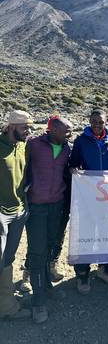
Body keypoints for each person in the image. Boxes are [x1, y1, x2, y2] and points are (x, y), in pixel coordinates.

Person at [25, 117, 72, 324]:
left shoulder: (67, 149)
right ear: (52, 130)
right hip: (36, 207)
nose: (69, 134)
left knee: (51, 247)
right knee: (37, 252)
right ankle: (38, 302)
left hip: (56, 206)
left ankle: (46, 286)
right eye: (66, 131)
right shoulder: (33, 145)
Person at [69, 109, 108, 294]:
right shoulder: (81, 140)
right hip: (88, 196)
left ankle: (104, 269)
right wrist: (75, 171)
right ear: (89, 121)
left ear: (106, 122)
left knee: (107, 233)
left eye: (101, 122)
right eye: (94, 121)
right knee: (87, 233)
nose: (98, 124)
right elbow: (73, 163)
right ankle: (82, 274)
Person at [0, 110, 33, 320]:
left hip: (19, 211)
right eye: (24, 127)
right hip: (1, 213)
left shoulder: (23, 146)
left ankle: (7, 306)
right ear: (11, 126)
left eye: (30, 127)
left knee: (8, 259)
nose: (28, 131)